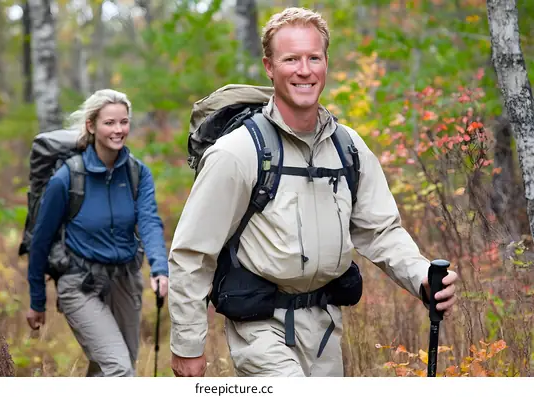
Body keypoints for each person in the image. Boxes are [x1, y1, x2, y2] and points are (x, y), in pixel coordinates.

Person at [167, 7, 458, 377]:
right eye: (291, 59)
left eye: (313, 58)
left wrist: (419, 275)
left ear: (325, 63)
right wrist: (188, 345)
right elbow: (193, 253)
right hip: (261, 329)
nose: (304, 70)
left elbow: (381, 231)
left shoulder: (347, 147)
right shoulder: (237, 152)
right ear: (269, 66)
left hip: (325, 329)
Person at [25, 89, 169, 377]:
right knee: (119, 370)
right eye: (109, 123)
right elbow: (40, 240)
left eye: (124, 122)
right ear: (91, 126)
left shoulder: (137, 173)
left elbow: (149, 220)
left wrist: (159, 267)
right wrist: (37, 300)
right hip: (80, 284)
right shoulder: (68, 177)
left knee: (109, 369)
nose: (118, 130)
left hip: (125, 281)